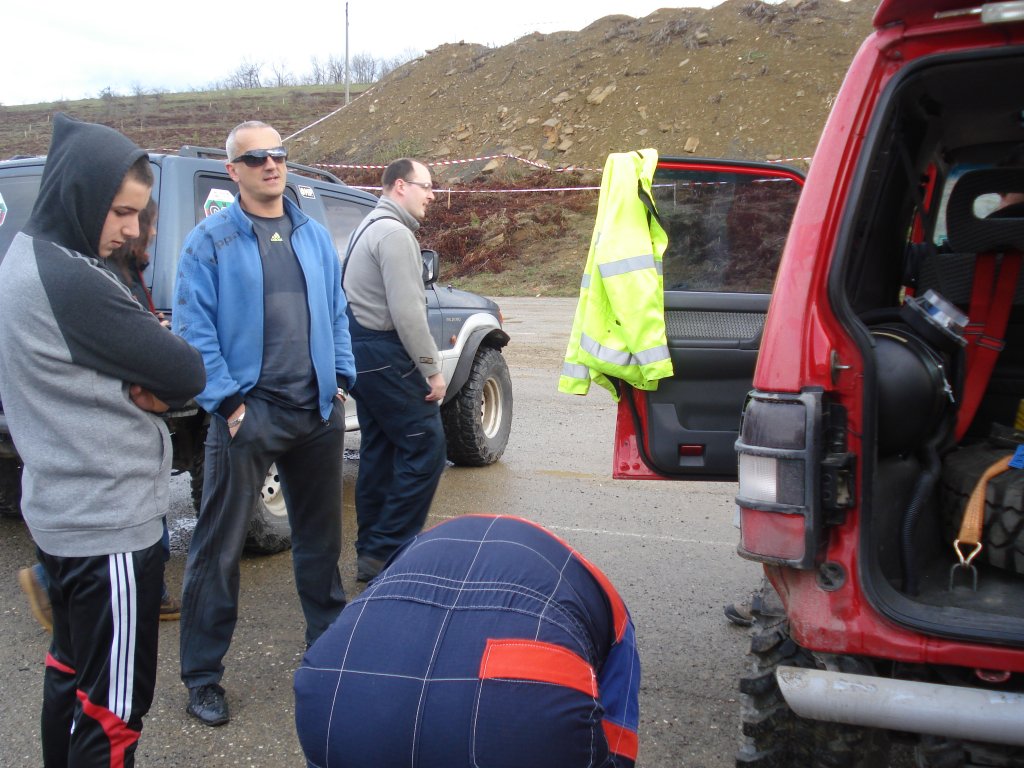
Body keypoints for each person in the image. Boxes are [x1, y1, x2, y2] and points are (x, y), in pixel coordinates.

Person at [0, 113, 206, 767]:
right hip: (108, 529)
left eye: (139, 214)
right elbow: (186, 371)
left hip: (64, 517)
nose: (132, 230)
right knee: (112, 712)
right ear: (80, 195)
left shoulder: (27, 255)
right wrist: (159, 378)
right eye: (121, 212)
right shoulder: (71, 280)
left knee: (70, 680)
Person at [172, 120, 355, 727]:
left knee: (321, 545)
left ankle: (327, 651)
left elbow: (337, 310)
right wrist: (228, 404)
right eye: (254, 158)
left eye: (277, 154)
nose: (270, 164)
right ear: (234, 171)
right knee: (218, 550)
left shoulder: (312, 234)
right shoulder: (210, 241)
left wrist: (341, 379)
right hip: (248, 417)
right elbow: (193, 330)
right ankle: (202, 676)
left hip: (316, 413)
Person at [294, 514, 642, 768]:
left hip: (330, 689)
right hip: (521, 704)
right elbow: (618, 741)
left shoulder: (408, 558)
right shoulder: (604, 598)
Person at [342, 158, 447, 582]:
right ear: (400, 186)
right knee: (426, 446)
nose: (432, 195)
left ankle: (372, 552)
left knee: (381, 450)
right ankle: (390, 551)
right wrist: (432, 370)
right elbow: (408, 312)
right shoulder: (394, 233)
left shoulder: (366, 227)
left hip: (360, 353)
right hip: (384, 352)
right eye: (426, 186)